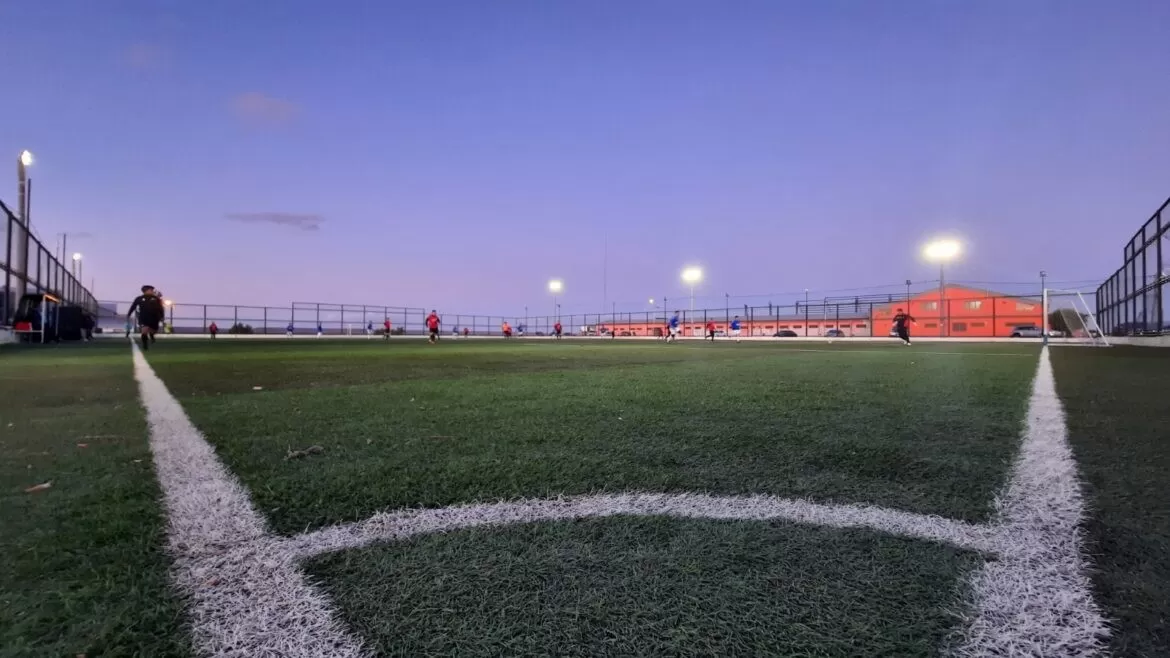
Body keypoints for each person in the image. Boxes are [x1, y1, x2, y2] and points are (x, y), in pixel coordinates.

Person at [127, 285, 165, 350]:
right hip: (143, 317)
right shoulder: (139, 298)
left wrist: (161, 316)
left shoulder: (156, 299)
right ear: (147, 290)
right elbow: (133, 306)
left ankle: (151, 335)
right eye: (151, 290)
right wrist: (129, 314)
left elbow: (160, 308)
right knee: (144, 331)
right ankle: (145, 345)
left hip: (154, 318)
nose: (153, 291)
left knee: (153, 331)